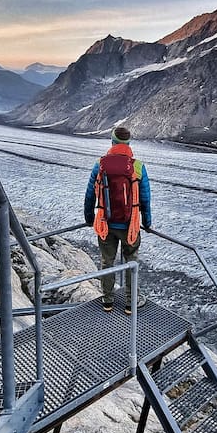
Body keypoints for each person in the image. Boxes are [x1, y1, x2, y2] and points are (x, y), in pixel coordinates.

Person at [84, 126, 152, 314]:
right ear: (128, 144)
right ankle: (131, 304)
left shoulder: (100, 164)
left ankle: (107, 301)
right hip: (130, 225)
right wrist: (147, 222)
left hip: (106, 222)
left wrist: (89, 218)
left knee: (107, 262)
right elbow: (145, 198)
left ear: (112, 142)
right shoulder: (138, 166)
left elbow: (90, 194)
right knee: (132, 262)